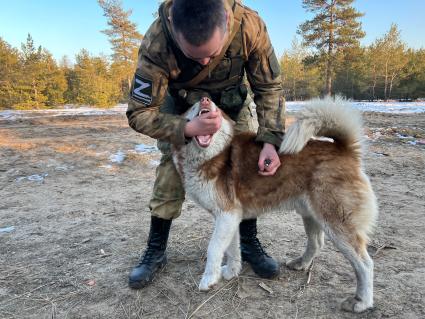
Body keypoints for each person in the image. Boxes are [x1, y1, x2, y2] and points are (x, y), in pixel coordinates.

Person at [126, 0, 286, 289]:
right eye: (193, 55)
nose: (204, 63)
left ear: (226, 19)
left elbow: (269, 87)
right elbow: (138, 113)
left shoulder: (249, 25)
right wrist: (186, 128)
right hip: (183, 110)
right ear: (174, 27)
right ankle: (156, 250)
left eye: (211, 54)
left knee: (249, 170)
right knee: (171, 173)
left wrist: (271, 140)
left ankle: (248, 244)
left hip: (235, 105)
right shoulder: (157, 41)